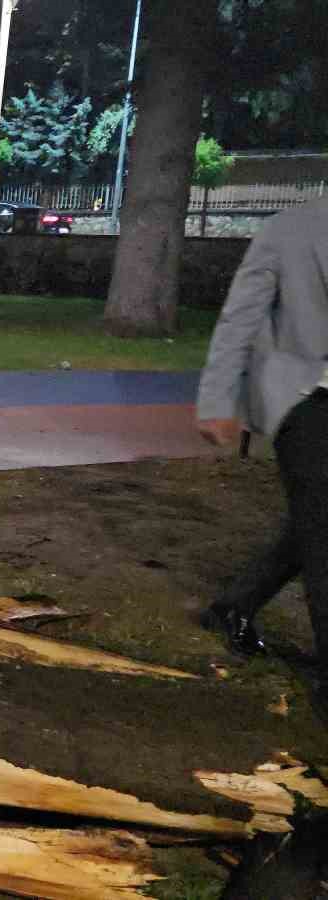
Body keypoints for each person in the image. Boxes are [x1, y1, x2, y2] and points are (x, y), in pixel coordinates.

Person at [196, 197, 327, 698]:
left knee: (311, 526)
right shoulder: (289, 230)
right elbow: (239, 320)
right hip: (305, 400)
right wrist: (215, 400)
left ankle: (233, 607)